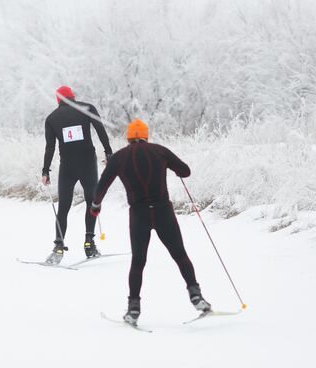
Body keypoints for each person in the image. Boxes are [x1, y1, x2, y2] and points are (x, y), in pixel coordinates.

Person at [89, 119, 212, 326]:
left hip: (139, 215)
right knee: (180, 255)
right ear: (146, 136)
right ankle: (196, 296)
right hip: (164, 212)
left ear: (128, 137)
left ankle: (133, 309)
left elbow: (101, 186)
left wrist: (95, 206)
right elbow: (185, 171)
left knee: (138, 261)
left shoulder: (119, 158)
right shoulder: (159, 151)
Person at [41, 85, 113, 263]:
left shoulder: (51, 118)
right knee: (92, 202)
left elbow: (50, 147)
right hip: (87, 163)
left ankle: (58, 246)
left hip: (68, 166)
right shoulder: (87, 108)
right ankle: (89, 243)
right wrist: (109, 153)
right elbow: (100, 129)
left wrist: (45, 171)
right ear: (73, 97)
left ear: (58, 100)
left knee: (63, 207)